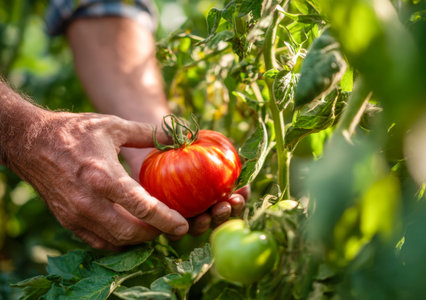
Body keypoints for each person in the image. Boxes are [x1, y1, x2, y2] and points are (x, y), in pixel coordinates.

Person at [0, 0, 248, 251]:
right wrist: (25, 133)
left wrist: (147, 143)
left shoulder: (186, 156)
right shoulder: (213, 149)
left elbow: (102, 6)